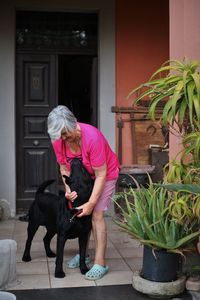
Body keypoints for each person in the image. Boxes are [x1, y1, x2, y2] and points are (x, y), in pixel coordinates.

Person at [47, 105, 119, 280]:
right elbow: (64, 167)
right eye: (59, 136)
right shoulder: (58, 139)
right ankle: (84, 254)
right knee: (80, 212)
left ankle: (100, 263)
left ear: (73, 124)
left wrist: (92, 203)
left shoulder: (92, 138)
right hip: (82, 179)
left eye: (65, 134)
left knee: (95, 214)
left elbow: (101, 175)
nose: (63, 139)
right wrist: (69, 189)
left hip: (105, 174)